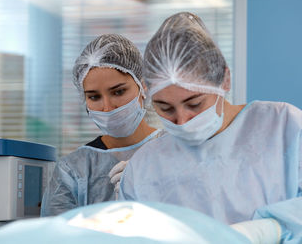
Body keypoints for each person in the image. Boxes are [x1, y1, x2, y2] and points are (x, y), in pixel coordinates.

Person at [118, 12, 302, 243]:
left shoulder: (283, 126)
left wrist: (269, 230)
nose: (182, 120)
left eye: (194, 104)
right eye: (165, 108)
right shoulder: (144, 167)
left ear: (225, 80)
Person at [41, 34, 163, 217]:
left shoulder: (177, 152)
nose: (107, 107)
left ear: (143, 86)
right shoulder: (73, 170)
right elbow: (56, 235)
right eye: (94, 97)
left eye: (118, 91)